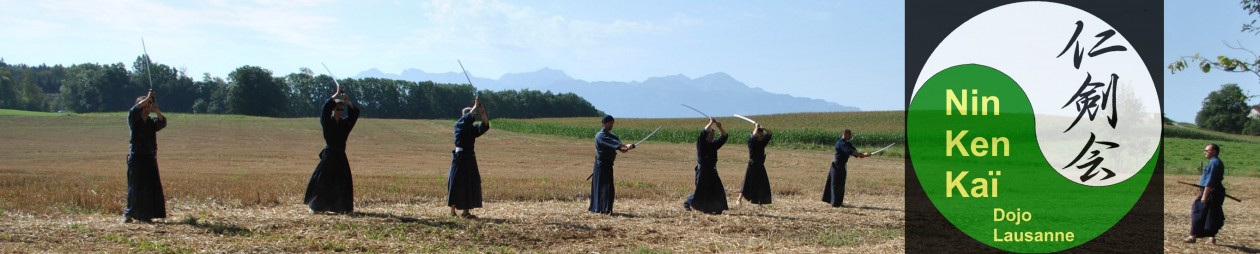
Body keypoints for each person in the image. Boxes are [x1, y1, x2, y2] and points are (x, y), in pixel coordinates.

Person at [303, 87, 359, 214]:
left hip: (340, 156)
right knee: (322, 181)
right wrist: (336, 95)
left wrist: (347, 100)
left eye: (341, 109)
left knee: (342, 182)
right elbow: (325, 110)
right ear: (333, 110)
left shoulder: (345, 125)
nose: (339, 111)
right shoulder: (327, 123)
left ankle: (343, 208)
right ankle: (316, 207)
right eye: (337, 109)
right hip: (329, 156)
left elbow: (355, 114)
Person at [124, 89, 168, 223]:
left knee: (150, 187)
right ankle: (129, 214)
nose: (147, 109)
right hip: (136, 158)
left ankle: (146, 215)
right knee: (135, 186)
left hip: (149, 158)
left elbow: (162, 122)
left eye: (148, 107)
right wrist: (148, 97)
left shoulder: (151, 122)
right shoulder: (134, 119)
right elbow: (134, 110)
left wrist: (157, 110)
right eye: (145, 106)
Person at [448, 97, 490, 218]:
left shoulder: (472, 129)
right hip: (460, 157)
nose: (473, 117)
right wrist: (475, 106)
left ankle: (466, 212)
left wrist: (483, 113)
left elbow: (485, 126)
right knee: (456, 183)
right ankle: (452, 211)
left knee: (469, 183)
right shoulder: (459, 125)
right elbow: (466, 120)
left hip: (470, 157)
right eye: (472, 114)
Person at [590, 115, 635, 214]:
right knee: (601, 187)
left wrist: (628, 146)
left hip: (609, 165)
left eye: (612, 122)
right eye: (609, 123)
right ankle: (599, 209)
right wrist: (621, 147)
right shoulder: (600, 135)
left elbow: (621, 147)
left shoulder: (612, 135)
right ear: (603, 123)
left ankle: (607, 209)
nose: (611, 124)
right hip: (601, 165)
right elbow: (616, 145)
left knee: (609, 188)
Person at [685, 117, 729, 214]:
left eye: (713, 134)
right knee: (701, 191)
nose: (713, 135)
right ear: (707, 135)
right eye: (711, 134)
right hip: (703, 171)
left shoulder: (714, 144)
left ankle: (717, 208)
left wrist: (720, 127)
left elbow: (724, 137)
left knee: (717, 189)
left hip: (712, 170)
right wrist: (710, 122)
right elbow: (703, 131)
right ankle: (688, 200)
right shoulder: (701, 143)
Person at [1185, 143, 1226, 244]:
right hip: (1214, 191)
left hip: (1211, 192)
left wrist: (1204, 196)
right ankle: (1212, 237)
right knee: (1211, 214)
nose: (1205, 152)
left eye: (1207, 150)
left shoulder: (1214, 163)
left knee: (1197, 211)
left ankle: (1192, 236)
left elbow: (1210, 181)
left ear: (1214, 151)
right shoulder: (1215, 162)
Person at [822, 129, 869, 208]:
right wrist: (861, 155)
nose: (851, 136)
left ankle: (839, 202)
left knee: (841, 184)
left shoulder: (847, 143)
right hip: (837, 166)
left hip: (842, 166)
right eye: (850, 134)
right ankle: (834, 203)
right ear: (845, 134)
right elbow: (850, 151)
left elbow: (854, 151)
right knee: (835, 184)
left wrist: (863, 154)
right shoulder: (840, 143)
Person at [738, 123, 772, 206]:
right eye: (760, 135)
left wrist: (763, 127)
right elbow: (753, 137)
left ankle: (760, 202)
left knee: (761, 183)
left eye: (762, 135)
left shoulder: (762, 142)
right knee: (747, 182)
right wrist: (756, 127)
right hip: (752, 165)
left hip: (760, 165)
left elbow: (770, 133)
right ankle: (739, 200)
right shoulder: (751, 141)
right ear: (756, 134)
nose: (762, 136)